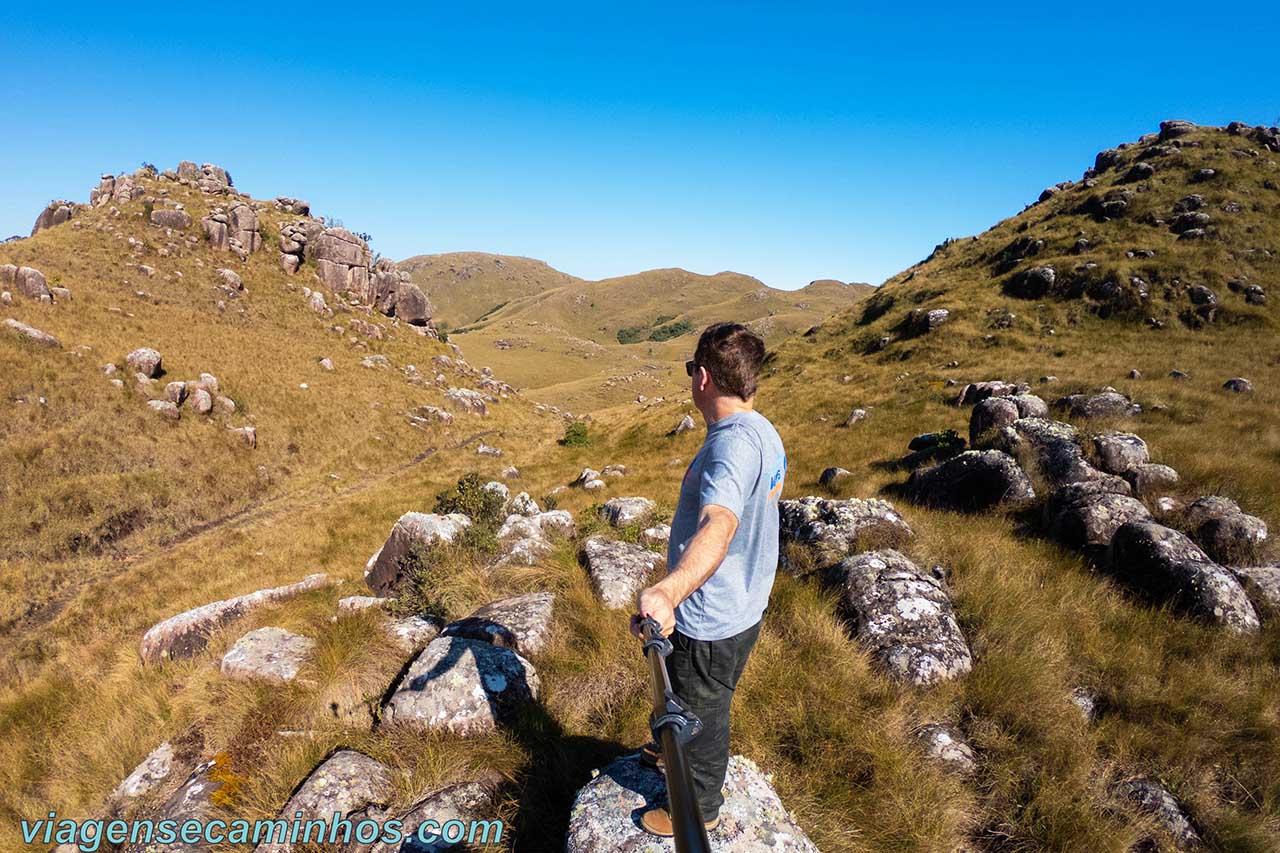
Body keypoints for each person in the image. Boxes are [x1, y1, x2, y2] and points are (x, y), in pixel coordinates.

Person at [629, 321, 787, 837]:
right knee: (700, 693)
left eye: (690, 369)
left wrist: (670, 590)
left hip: (711, 615)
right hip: (745, 604)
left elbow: (719, 522)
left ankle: (697, 807)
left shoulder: (730, 448)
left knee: (703, 712)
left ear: (702, 378)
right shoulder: (762, 430)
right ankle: (666, 746)